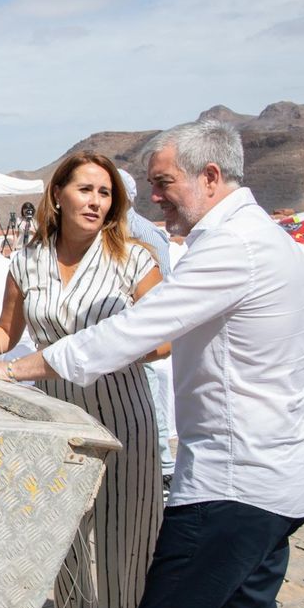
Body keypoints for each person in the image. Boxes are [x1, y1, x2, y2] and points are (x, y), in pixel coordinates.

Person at [0, 121, 304, 608]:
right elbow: (10, 330)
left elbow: (136, 331)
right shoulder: (252, 238)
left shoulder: (232, 247)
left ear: (209, 177)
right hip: (274, 475)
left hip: (233, 484)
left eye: (162, 183)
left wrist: (13, 370)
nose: (154, 197)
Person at [0, 152, 168, 608]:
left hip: (123, 420)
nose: (96, 201)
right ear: (57, 194)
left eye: (105, 193)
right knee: (67, 543)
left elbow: (162, 342)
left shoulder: (134, 258)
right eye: (86, 189)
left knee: (128, 547)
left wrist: (95, 351)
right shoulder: (28, 259)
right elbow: (6, 333)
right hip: (57, 422)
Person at [119, 169, 175, 498]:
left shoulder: (144, 234)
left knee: (148, 398)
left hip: (139, 335)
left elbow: (162, 284)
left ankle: (164, 467)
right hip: (117, 331)